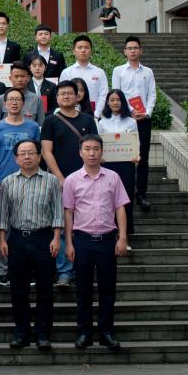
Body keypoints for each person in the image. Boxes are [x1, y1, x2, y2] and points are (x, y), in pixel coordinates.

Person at [0, 138, 62, 351]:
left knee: (45, 289)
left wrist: (56, 238)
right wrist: (2, 239)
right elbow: (3, 214)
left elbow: (58, 212)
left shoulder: (51, 181)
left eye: (31, 152)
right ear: (16, 159)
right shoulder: (7, 182)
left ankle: (42, 333)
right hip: (17, 240)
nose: (27, 157)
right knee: (18, 290)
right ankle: (21, 333)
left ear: (39, 156)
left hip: (44, 239)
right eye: (22, 153)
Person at [64, 135, 129, 350]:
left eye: (96, 149)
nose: (92, 153)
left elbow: (120, 207)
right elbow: (68, 212)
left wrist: (122, 237)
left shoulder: (113, 177)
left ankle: (106, 332)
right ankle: (84, 332)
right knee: (83, 289)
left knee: (107, 289)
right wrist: (69, 243)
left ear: (102, 152)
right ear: (80, 152)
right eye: (87, 149)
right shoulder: (72, 180)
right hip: (82, 240)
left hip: (107, 240)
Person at [40, 80, 98, 287]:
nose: (66, 96)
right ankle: (65, 271)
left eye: (69, 93)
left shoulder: (88, 120)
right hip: (61, 181)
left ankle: (83, 269)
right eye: (61, 93)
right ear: (56, 98)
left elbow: (94, 148)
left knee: (86, 224)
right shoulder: (50, 121)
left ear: (77, 96)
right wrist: (59, 177)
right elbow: (46, 152)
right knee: (63, 225)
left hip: (87, 181)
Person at [0, 88, 42, 287]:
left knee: (27, 225)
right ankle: (2, 271)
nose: (14, 103)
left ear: (24, 103)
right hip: (3, 181)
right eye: (10, 99)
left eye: (18, 99)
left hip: (29, 180)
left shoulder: (33, 126)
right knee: (2, 225)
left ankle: (28, 270)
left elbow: (38, 153)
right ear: (4, 104)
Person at [111, 35, 156, 211]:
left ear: (141, 50)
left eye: (135, 48)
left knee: (143, 157)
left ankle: (141, 194)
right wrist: (130, 111)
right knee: (123, 156)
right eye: (129, 48)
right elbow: (116, 94)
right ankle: (122, 193)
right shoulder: (118, 71)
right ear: (125, 51)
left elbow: (152, 94)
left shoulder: (148, 72)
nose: (132, 51)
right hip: (124, 119)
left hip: (143, 120)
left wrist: (147, 113)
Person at [98, 89, 138, 237]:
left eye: (118, 100)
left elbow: (136, 142)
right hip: (108, 165)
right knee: (108, 198)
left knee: (126, 198)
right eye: (112, 100)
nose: (115, 103)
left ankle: (125, 235)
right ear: (107, 103)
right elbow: (99, 144)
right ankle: (110, 233)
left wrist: (136, 155)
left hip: (126, 165)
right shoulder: (102, 122)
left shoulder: (131, 122)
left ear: (123, 102)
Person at [59, 35, 108, 118]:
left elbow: (103, 95)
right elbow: (62, 94)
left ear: (91, 51)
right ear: (74, 51)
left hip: (95, 115)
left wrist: (96, 115)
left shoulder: (99, 72)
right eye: (80, 47)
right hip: (71, 116)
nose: (83, 50)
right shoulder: (67, 72)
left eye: (86, 47)